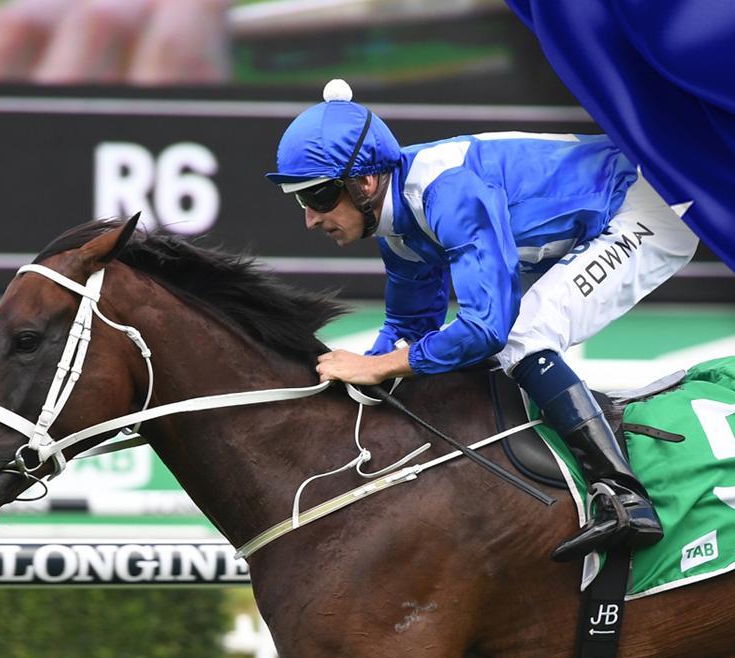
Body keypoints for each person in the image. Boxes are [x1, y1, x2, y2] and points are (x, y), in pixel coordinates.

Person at [268, 80, 698, 562]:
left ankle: (626, 499)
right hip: (590, 221)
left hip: (646, 209)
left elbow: (486, 328)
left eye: (319, 196)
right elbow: (409, 329)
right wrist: (357, 383)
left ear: (364, 183)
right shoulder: (397, 230)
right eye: (299, 200)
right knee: (488, 347)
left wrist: (378, 366)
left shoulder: (447, 193)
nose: (310, 219)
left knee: (523, 334)